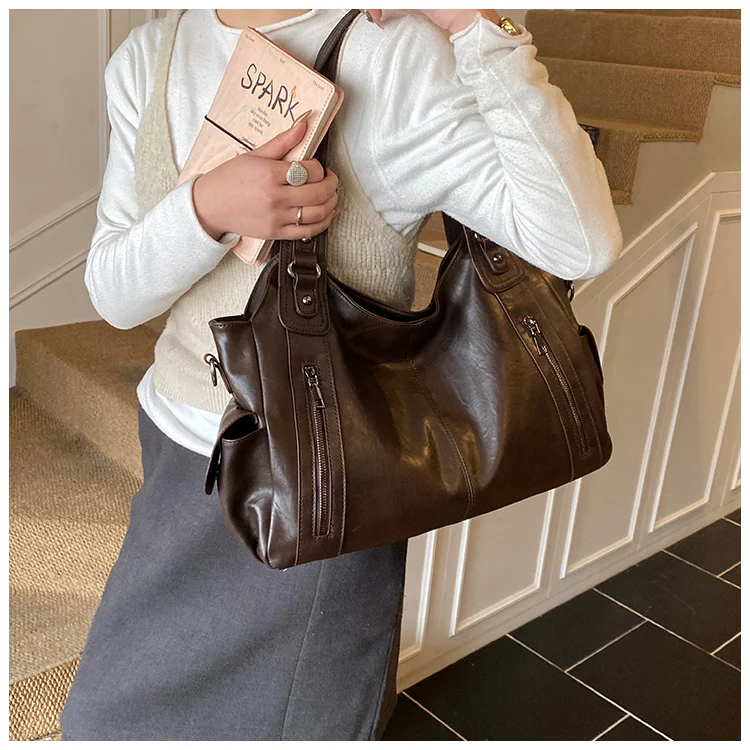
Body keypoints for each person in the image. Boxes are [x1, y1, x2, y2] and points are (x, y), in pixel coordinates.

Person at [59, 8, 623, 741]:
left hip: (324, 474)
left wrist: (479, 28)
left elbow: (579, 243)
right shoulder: (149, 55)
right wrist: (206, 208)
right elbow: (113, 293)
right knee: (108, 722)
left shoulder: (395, 58)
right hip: (177, 450)